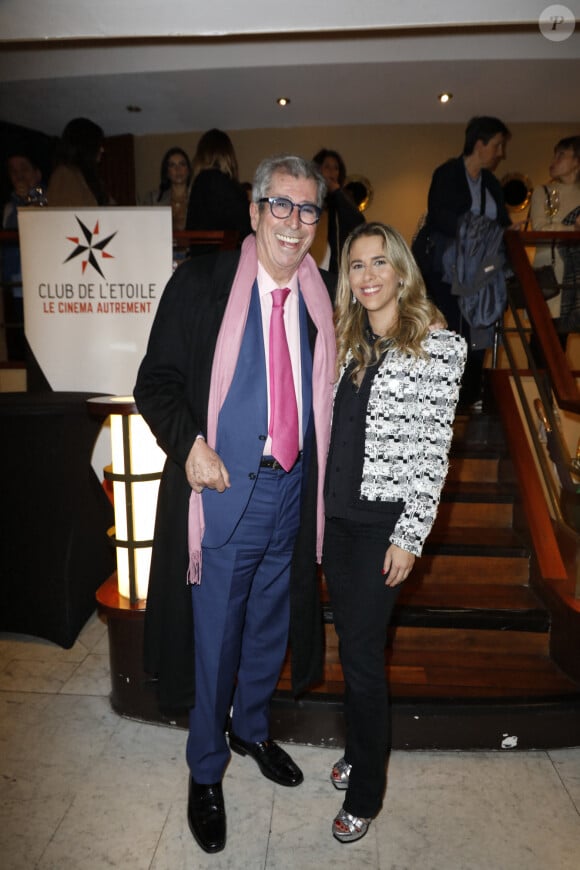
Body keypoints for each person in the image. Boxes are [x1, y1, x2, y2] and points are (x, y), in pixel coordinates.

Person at [134, 154, 336, 855]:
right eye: (281, 205)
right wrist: (189, 444)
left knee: (268, 628)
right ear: (254, 212)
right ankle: (206, 767)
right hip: (220, 497)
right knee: (214, 638)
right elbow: (154, 385)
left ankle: (251, 729)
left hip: (291, 494)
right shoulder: (203, 285)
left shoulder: (319, 300)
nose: (294, 222)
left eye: (308, 209)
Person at [323, 222, 466, 843]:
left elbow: (434, 455)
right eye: (357, 265)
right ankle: (359, 748)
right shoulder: (347, 341)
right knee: (353, 651)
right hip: (338, 521)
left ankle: (366, 793)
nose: (369, 275)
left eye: (380, 262)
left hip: (384, 525)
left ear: (401, 270)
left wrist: (410, 536)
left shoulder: (438, 347)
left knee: (360, 656)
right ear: (348, 281)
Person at [414, 116, 511, 409]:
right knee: (451, 333)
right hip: (448, 271)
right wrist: (482, 231)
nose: (501, 152)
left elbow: (503, 223)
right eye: (497, 145)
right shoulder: (447, 173)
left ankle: (467, 399)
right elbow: (440, 216)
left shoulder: (491, 183)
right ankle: (445, 402)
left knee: (477, 337)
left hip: (482, 275)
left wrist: (498, 233)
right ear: (479, 144)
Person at [529, 136, 580, 336]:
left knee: (562, 343)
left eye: (561, 156)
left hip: (575, 280)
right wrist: (573, 229)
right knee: (543, 344)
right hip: (550, 276)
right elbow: (540, 229)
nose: (553, 161)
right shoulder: (543, 192)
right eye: (555, 155)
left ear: (577, 161)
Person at [1, 152, 45, 360]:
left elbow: (38, 223)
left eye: (24, 169)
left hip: (41, 287)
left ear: (37, 173)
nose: (19, 176)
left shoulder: (47, 198)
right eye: (13, 171)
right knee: (18, 348)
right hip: (15, 287)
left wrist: (28, 198)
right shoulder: (9, 207)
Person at [185, 128, 252, 251]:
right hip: (223, 259)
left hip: (201, 259)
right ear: (228, 154)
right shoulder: (223, 184)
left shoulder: (198, 183)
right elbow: (244, 225)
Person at [312, 148, 365, 273]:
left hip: (337, 270)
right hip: (313, 267)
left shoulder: (342, 199)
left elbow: (359, 223)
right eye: (327, 167)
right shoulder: (311, 199)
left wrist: (337, 192)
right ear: (317, 170)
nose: (332, 172)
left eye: (336, 168)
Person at [47, 117, 110, 206]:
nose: (102, 149)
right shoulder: (65, 174)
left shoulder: (89, 178)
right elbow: (68, 216)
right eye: (98, 145)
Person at [141, 146, 192, 231]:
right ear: (167, 172)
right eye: (172, 165)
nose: (178, 169)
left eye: (182, 164)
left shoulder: (198, 198)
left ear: (188, 170)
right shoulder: (153, 199)